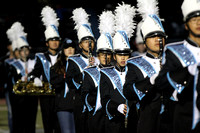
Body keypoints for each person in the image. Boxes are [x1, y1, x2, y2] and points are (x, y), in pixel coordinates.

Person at [155, 0, 200, 132]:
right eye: (193, 19)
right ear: (186, 25)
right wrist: (188, 72)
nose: (198, 22)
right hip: (185, 118)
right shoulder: (174, 51)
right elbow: (161, 83)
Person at [123, 0, 167, 133]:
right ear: (145, 41)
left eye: (160, 36)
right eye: (152, 37)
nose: (157, 40)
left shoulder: (173, 59)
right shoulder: (135, 63)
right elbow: (128, 91)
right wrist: (150, 81)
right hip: (148, 120)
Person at [99, 3, 137, 133]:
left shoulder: (136, 71)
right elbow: (104, 100)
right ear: (114, 56)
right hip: (114, 123)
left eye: (125, 54)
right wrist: (117, 107)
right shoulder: (105, 73)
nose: (123, 58)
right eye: (119, 55)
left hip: (134, 121)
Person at [28, 6, 61, 133]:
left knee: (59, 126)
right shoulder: (41, 57)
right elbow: (34, 72)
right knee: (47, 125)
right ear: (47, 43)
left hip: (60, 95)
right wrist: (35, 78)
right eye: (51, 40)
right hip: (46, 97)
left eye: (56, 40)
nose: (54, 42)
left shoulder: (63, 57)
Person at [81, 10, 115, 133]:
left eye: (108, 54)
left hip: (113, 116)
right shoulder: (89, 72)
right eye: (102, 54)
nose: (105, 57)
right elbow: (84, 95)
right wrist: (97, 102)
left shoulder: (116, 71)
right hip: (96, 116)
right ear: (98, 55)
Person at [66, 7, 98, 133]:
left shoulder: (99, 59)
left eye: (91, 41)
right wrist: (86, 70)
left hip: (96, 100)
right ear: (80, 45)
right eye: (85, 41)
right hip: (80, 101)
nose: (89, 44)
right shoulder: (73, 60)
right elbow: (70, 81)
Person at [10, 22, 38, 133]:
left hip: (32, 97)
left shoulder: (34, 62)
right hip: (18, 98)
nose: (25, 52)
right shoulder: (14, 64)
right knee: (19, 122)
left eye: (26, 49)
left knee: (31, 122)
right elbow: (11, 80)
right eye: (22, 50)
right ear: (19, 51)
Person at [50, 38, 76, 133]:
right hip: (63, 105)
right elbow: (53, 84)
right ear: (63, 50)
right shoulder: (56, 67)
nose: (69, 49)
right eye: (66, 47)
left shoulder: (81, 64)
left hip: (77, 104)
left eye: (72, 47)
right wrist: (65, 76)